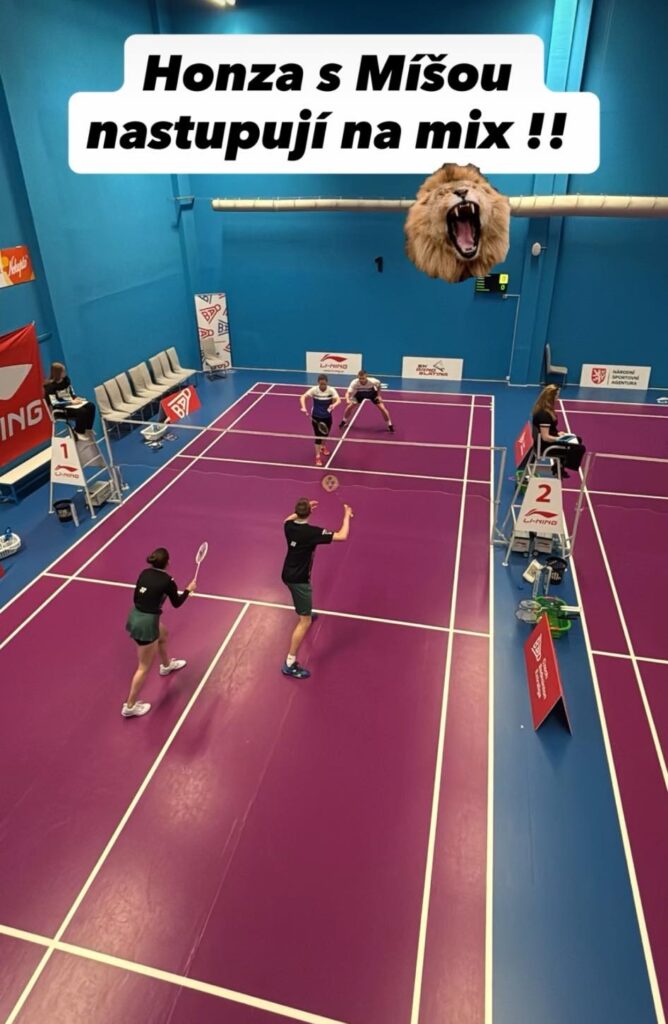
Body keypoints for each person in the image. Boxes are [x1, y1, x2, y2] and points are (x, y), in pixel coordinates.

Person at [281, 497, 353, 678]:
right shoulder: (312, 532)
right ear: (309, 512)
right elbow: (342, 535)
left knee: (302, 602)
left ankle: (304, 611)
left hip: (287, 573)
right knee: (304, 622)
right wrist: (346, 515)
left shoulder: (289, 526)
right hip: (299, 580)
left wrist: (301, 511)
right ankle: (289, 663)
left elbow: (287, 519)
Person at [123, 547, 196, 717]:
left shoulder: (144, 572)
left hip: (134, 616)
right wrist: (188, 590)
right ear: (167, 562)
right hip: (147, 624)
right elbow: (177, 603)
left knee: (163, 635)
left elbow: (136, 597)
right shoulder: (167, 581)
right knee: (143, 667)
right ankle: (129, 707)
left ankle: (166, 666)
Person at [531, 384, 585, 478]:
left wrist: (558, 433)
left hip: (546, 441)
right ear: (551, 397)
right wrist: (561, 439)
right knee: (580, 448)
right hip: (545, 446)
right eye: (557, 395)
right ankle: (560, 466)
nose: (558, 397)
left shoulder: (546, 410)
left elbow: (549, 430)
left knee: (578, 439)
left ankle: (558, 465)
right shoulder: (544, 415)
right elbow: (546, 437)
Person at [43, 362, 96, 439]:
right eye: (63, 371)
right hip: (61, 409)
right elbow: (54, 403)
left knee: (91, 406)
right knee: (82, 411)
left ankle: (88, 429)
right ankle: (79, 432)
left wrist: (75, 398)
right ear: (58, 373)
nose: (65, 372)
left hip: (72, 404)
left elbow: (71, 391)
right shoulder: (50, 387)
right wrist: (70, 402)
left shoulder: (66, 380)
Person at [299, 374, 341, 466]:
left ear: (327, 383)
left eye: (324, 384)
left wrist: (334, 405)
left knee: (325, 434)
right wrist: (303, 407)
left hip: (327, 416)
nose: (322, 386)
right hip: (316, 417)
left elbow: (338, 400)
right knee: (318, 437)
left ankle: (323, 446)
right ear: (318, 383)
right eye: (321, 384)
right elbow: (303, 397)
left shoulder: (331, 390)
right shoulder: (314, 390)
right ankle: (317, 457)